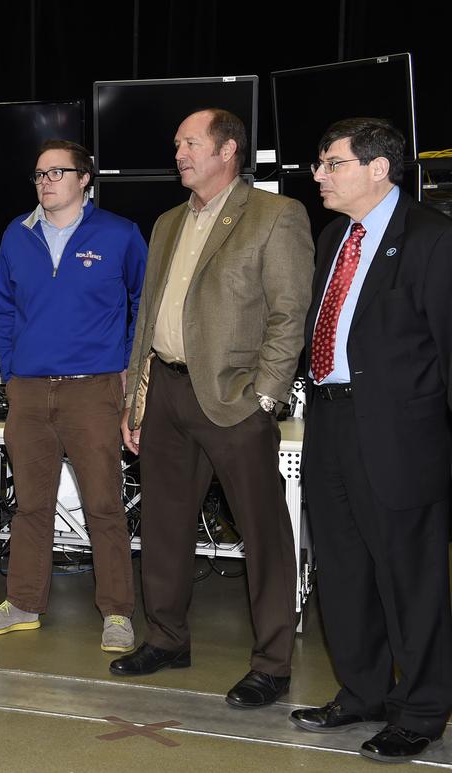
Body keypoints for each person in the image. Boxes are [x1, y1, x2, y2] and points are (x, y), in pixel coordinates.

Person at [108, 109, 314, 710]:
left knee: (263, 533)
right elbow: (146, 318)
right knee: (166, 527)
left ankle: (272, 663)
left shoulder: (276, 216)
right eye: (177, 144)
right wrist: (136, 400)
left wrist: (267, 396)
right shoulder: (168, 222)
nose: (179, 153)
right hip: (166, 392)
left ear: (228, 150)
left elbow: (288, 315)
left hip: (234, 397)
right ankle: (167, 639)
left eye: (190, 144)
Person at [288, 117, 452, 764]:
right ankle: (361, 690)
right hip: (329, 420)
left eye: (332, 163)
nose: (319, 174)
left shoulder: (433, 239)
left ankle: (421, 709)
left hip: (398, 432)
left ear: (377, 169)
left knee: (410, 578)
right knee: (344, 566)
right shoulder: (335, 235)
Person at [0, 140, 146, 653]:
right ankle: (23, 604)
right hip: (27, 393)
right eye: (40, 174)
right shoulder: (16, 235)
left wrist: (128, 376)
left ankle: (116, 612)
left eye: (58, 172)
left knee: (103, 505)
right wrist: (10, 373)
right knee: (30, 506)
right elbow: (3, 308)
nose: (46, 181)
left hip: (93, 391)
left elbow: (143, 305)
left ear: (84, 179)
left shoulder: (119, 234)